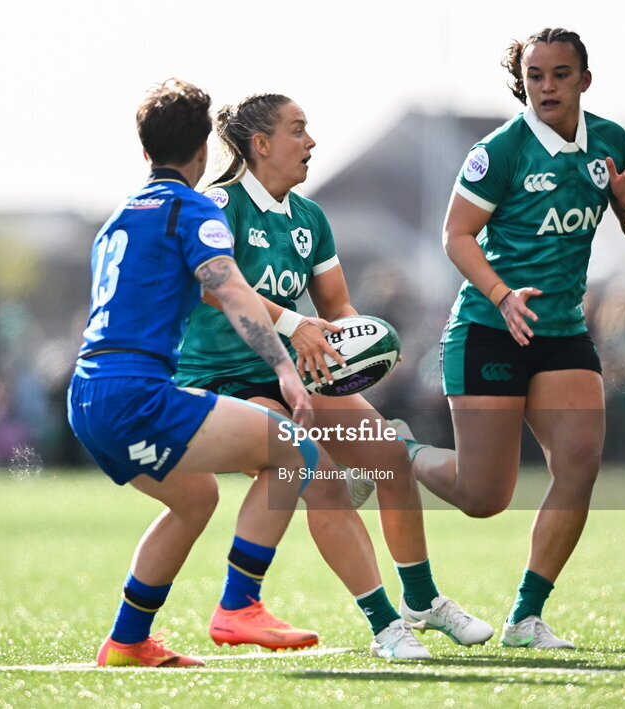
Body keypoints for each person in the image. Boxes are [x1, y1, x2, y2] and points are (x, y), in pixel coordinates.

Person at [175, 93, 493, 658]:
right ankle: (384, 626)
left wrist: (362, 341)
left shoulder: (309, 217)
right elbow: (211, 283)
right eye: (298, 130)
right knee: (316, 475)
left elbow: (338, 305)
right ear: (261, 144)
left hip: (296, 376)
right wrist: (298, 324)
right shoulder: (219, 204)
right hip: (217, 381)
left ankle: (421, 599)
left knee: (391, 456)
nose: (312, 142)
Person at [401, 28, 625, 649]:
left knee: (580, 462)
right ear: (524, 82)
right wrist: (501, 295)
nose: (547, 86)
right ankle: (400, 452)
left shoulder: (610, 142)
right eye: (536, 75)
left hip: (563, 332)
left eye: (560, 74)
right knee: (484, 496)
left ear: (584, 80)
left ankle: (526, 616)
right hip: (490, 328)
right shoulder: (501, 150)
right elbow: (455, 235)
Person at [67, 79, 324, 668]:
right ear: (204, 151)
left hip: (87, 394)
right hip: (135, 392)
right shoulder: (192, 208)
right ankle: (239, 606)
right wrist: (284, 367)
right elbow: (230, 290)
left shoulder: (117, 218)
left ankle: (128, 640)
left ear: (145, 151)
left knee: (195, 498)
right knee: (292, 451)